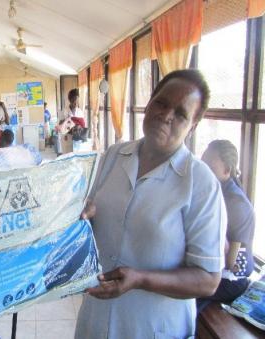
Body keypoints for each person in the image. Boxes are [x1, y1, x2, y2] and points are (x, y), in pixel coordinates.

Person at [75, 69, 225, 338]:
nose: (166, 115)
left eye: (180, 114)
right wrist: (83, 214)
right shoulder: (113, 156)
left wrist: (141, 279)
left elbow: (208, 280)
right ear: (149, 102)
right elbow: (90, 213)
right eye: (161, 102)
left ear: (192, 127)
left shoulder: (200, 183)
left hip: (153, 326)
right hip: (95, 320)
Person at [197, 140, 255, 312]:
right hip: (215, 269)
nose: (204, 172)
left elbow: (230, 262)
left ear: (227, 170)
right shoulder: (216, 190)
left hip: (230, 280)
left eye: (211, 168)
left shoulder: (236, 203)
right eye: (203, 165)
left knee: (177, 288)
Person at [55, 89, 85, 155]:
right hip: (67, 138)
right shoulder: (64, 111)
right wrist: (67, 121)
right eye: (74, 100)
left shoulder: (80, 112)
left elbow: (83, 125)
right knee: (67, 156)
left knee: (76, 157)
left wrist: (78, 126)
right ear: (70, 100)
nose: (75, 103)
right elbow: (60, 127)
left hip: (77, 139)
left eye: (77, 101)